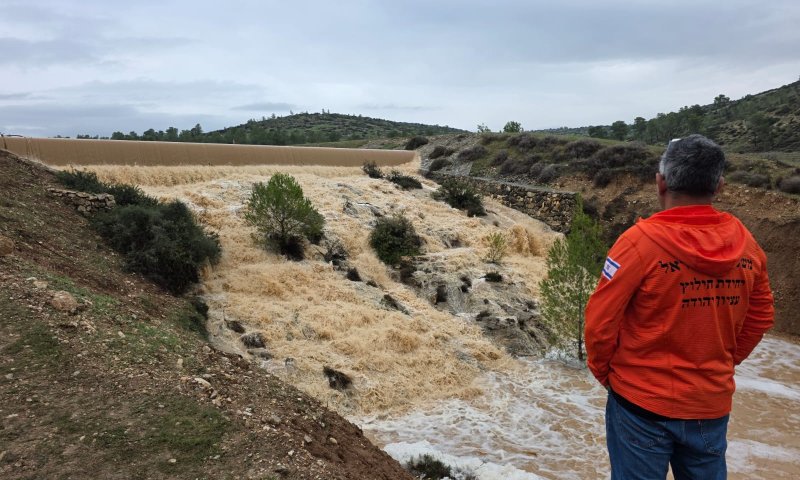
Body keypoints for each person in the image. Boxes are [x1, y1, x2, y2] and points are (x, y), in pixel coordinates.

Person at [584, 134, 774, 479]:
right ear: (719, 185)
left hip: (640, 403)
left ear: (661, 182)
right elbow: (761, 316)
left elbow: (600, 323)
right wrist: (723, 361)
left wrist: (606, 373)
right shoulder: (746, 243)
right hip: (710, 402)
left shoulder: (638, 243)